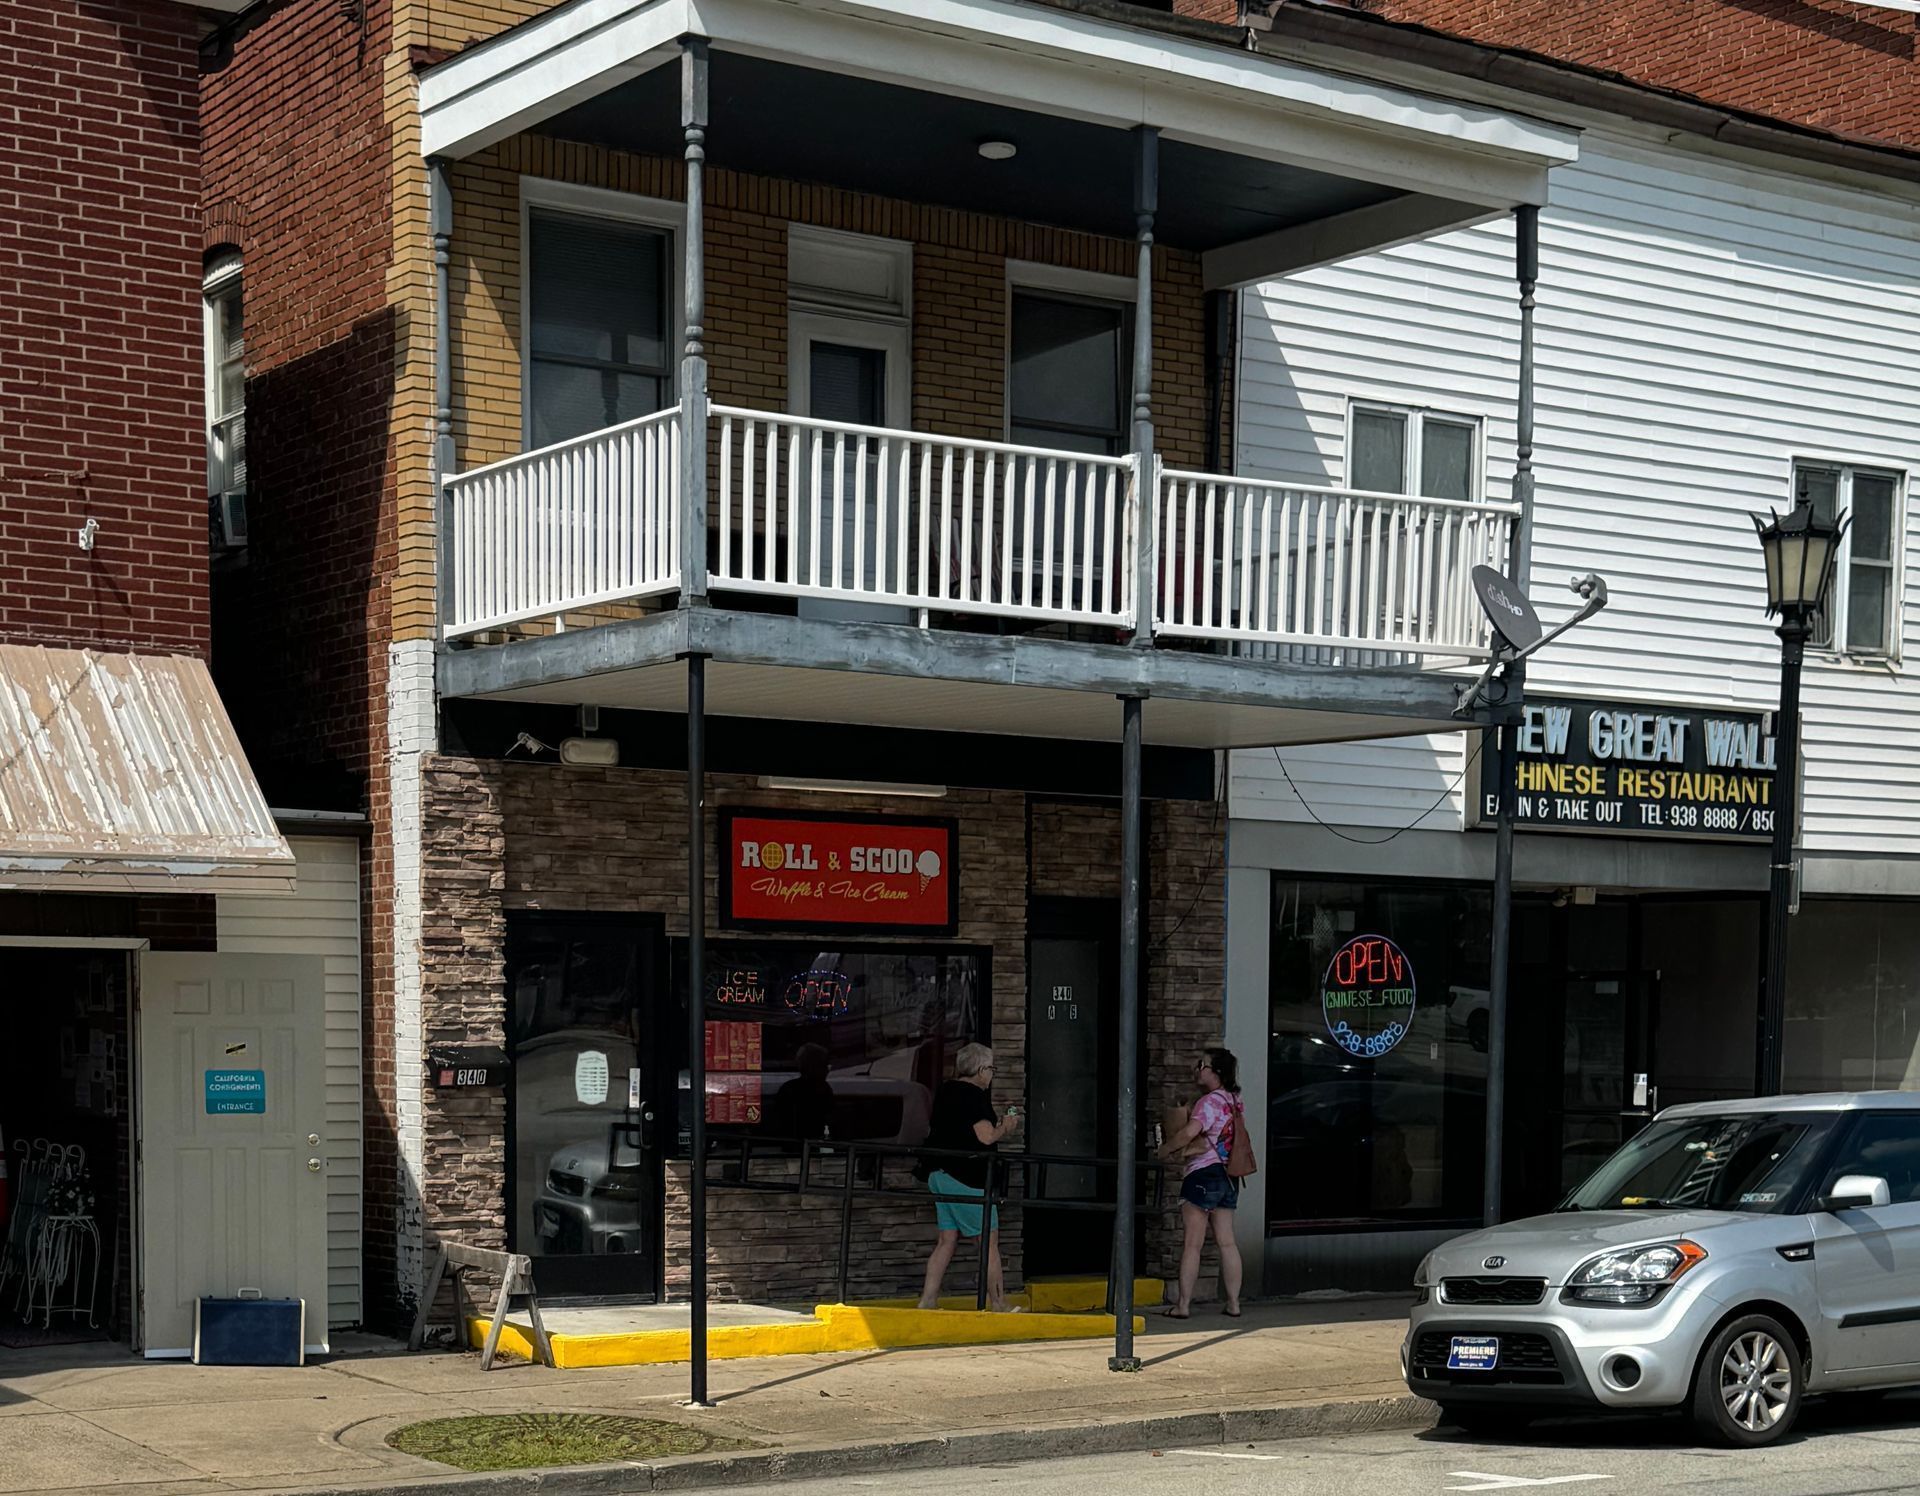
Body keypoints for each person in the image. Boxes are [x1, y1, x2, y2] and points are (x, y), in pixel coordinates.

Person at [917, 1042, 1021, 1311]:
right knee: (988, 1240)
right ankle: (998, 1303)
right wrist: (1006, 1128)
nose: (992, 1074)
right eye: (991, 1069)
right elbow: (985, 1137)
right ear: (981, 1069)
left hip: (938, 1173)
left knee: (947, 1239)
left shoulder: (945, 1091)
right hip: (966, 1176)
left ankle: (928, 1300)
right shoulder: (974, 1096)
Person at [1158, 1047, 1245, 1319]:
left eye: (1203, 1065)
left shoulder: (1208, 1103)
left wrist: (1166, 1148)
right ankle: (1233, 1303)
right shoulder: (1234, 1100)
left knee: (1192, 1244)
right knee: (1227, 1242)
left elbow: (1189, 1133)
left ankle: (1183, 1305)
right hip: (1229, 1175)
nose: (1199, 1069)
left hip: (1203, 1173)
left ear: (1216, 1073)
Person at [767, 1042, 834, 1140]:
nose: (827, 1070)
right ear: (814, 1067)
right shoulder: (823, 1090)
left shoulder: (788, 1089)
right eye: (825, 1065)